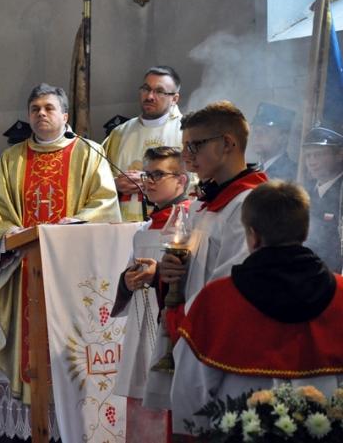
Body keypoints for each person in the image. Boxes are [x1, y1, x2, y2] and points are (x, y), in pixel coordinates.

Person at [0, 83, 120, 412]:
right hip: (25, 270)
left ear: (65, 115)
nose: (41, 114)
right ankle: (36, 420)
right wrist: (9, 232)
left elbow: (104, 205)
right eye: (35, 109)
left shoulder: (89, 153)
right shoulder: (13, 158)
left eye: (48, 108)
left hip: (74, 270)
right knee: (30, 344)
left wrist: (74, 223)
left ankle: (73, 415)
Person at [171, 181, 343, 435]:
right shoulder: (340, 294)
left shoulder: (216, 300)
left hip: (237, 432)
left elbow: (189, 390)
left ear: (253, 235)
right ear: (305, 232)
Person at [147, 101, 268, 432]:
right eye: (185, 146)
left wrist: (183, 319)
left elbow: (230, 286)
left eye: (195, 146)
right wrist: (168, 275)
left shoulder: (250, 204)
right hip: (191, 336)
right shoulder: (204, 203)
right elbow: (193, 270)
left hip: (220, 349)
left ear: (227, 143)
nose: (187, 156)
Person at [110, 146, 189, 443]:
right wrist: (127, 281)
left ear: (181, 180)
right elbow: (131, 271)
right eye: (147, 175)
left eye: (158, 174)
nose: (149, 181)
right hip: (142, 328)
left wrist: (158, 276)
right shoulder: (145, 226)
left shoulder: (190, 220)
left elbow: (196, 277)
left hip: (170, 328)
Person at [103, 66, 184, 222]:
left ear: (174, 99)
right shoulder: (120, 133)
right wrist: (115, 184)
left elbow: (196, 180)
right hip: (123, 223)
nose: (150, 96)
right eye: (146, 89)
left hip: (170, 223)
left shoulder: (184, 131)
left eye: (159, 91)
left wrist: (151, 180)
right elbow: (99, 179)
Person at [302, 126, 343, 272]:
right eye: (308, 156)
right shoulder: (305, 191)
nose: (312, 162)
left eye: (318, 154)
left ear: (339, 155)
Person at [250, 102, 297, 181]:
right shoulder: (249, 170)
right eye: (255, 131)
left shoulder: (293, 172)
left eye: (264, 131)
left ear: (283, 138)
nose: (257, 136)